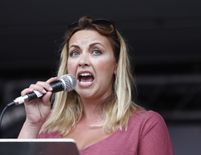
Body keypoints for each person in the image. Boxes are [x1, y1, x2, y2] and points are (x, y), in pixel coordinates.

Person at [18, 16, 174, 155]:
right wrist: (32, 124)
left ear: (116, 65)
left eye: (96, 51)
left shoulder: (145, 125)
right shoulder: (47, 130)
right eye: (75, 53)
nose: (82, 61)